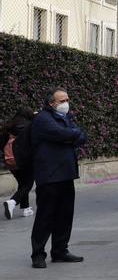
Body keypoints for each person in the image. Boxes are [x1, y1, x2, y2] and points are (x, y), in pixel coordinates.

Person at [28, 88, 87, 268]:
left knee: (64, 215)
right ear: (51, 103)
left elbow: (81, 137)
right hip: (49, 175)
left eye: (67, 99)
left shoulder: (66, 118)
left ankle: (60, 250)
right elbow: (64, 134)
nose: (66, 103)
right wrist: (72, 135)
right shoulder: (42, 119)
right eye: (62, 100)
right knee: (46, 215)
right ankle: (38, 254)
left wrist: (72, 135)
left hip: (66, 174)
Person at [4, 107, 36, 219]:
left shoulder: (8, 126)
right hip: (25, 160)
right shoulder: (30, 126)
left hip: (10, 160)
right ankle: (12, 201)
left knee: (22, 184)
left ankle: (26, 209)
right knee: (28, 184)